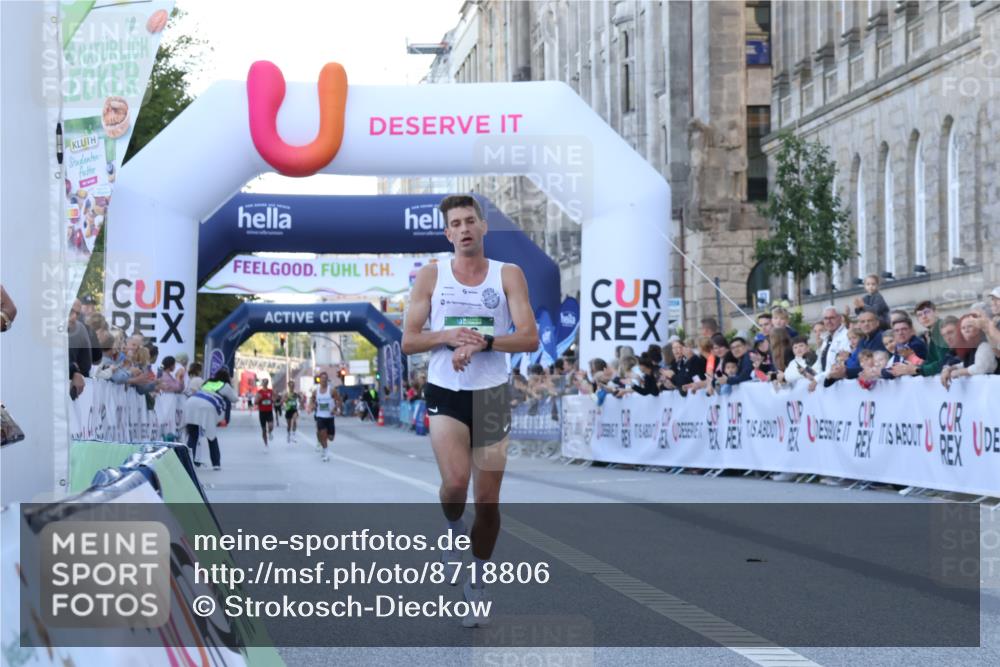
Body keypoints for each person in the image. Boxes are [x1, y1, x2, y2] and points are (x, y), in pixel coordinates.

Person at [400, 194, 538, 628]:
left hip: (493, 393)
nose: (463, 229)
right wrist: (448, 336)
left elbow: (529, 337)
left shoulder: (508, 275)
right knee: (455, 485)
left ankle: (477, 583)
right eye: (455, 223)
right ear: (447, 233)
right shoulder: (431, 275)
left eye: (469, 221)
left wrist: (486, 342)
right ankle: (451, 528)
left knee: (490, 502)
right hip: (447, 389)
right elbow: (409, 340)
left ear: (483, 227)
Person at [183, 368, 237, 471]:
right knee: (211, 435)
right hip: (208, 407)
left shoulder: (208, 382)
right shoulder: (225, 385)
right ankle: (216, 463)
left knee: (193, 435)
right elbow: (234, 399)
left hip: (191, 403)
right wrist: (231, 386)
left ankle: (189, 462)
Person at [941, 314, 998, 387]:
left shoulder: (984, 345)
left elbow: (980, 368)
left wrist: (958, 372)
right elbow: (966, 364)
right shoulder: (970, 347)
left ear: (978, 328)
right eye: (963, 328)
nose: (966, 330)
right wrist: (949, 369)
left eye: (969, 326)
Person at [311, 372, 337, 461]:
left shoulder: (331, 390)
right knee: (323, 435)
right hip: (320, 416)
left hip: (330, 416)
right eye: (322, 378)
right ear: (319, 379)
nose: (323, 380)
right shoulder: (316, 391)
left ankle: (323, 444)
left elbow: (339, 400)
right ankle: (326, 453)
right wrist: (312, 405)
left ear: (327, 379)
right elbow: (312, 399)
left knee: (331, 438)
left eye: (325, 378)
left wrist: (335, 409)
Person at [256, 378, 275, 450]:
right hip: (262, 412)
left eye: (267, 382)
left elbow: (274, 399)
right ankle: (266, 444)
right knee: (263, 430)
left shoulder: (270, 391)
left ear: (267, 383)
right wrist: (259, 399)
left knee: (271, 426)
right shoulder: (259, 392)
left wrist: (272, 399)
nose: (265, 383)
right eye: (264, 382)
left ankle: (270, 432)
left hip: (269, 411)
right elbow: (255, 402)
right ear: (262, 383)